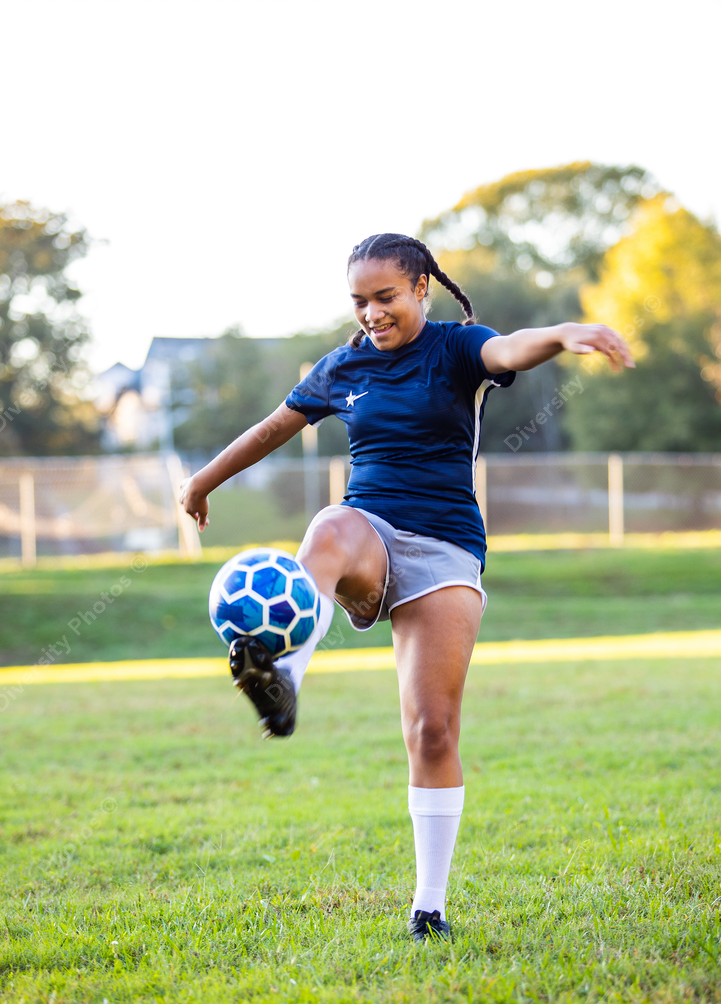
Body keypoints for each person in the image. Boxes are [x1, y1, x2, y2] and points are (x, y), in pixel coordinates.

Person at [180, 233, 633, 942]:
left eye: (385, 297)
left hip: (446, 549)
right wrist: (203, 480)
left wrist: (565, 334)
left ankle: (429, 906)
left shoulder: (454, 348)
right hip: (370, 535)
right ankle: (283, 678)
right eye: (359, 301)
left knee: (431, 728)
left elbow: (510, 348)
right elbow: (274, 427)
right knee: (329, 525)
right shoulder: (344, 366)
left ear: (421, 287)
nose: (371, 313)